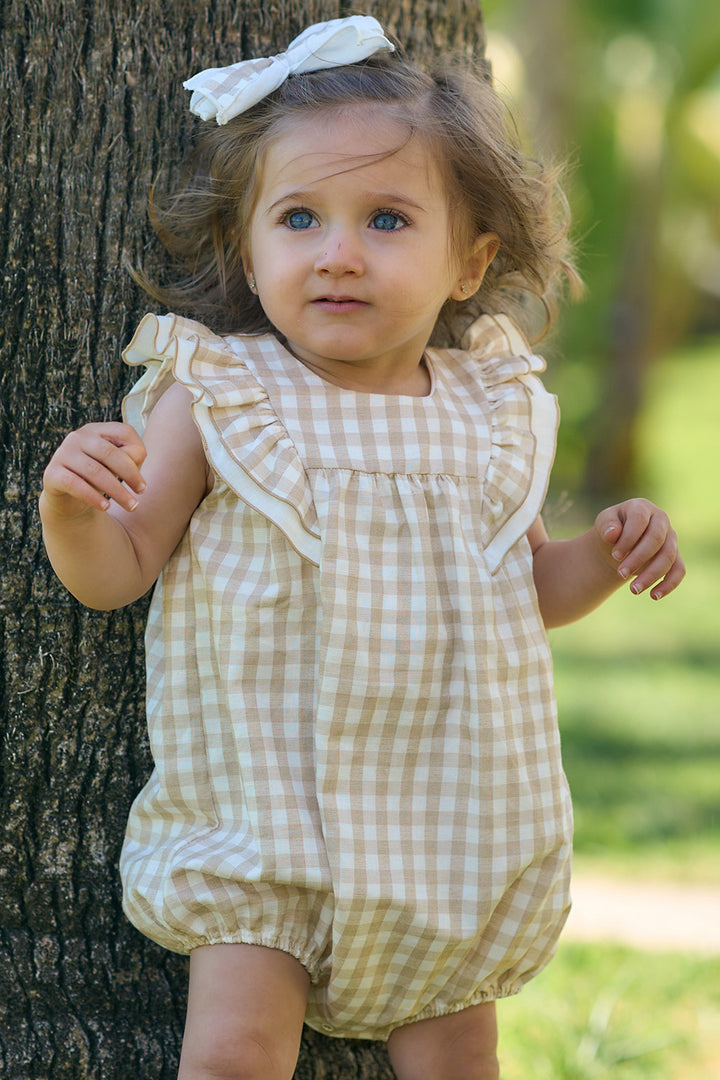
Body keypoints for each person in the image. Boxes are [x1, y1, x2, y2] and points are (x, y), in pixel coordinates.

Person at [39, 16, 685, 1080]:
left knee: (458, 1060)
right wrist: (75, 512)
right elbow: (120, 570)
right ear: (250, 248)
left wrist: (606, 556)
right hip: (267, 826)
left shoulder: (485, 413)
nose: (338, 253)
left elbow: (526, 587)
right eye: (300, 218)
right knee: (238, 1052)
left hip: (444, 827)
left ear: (470, 262)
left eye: (387, 220)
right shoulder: (222, 397)